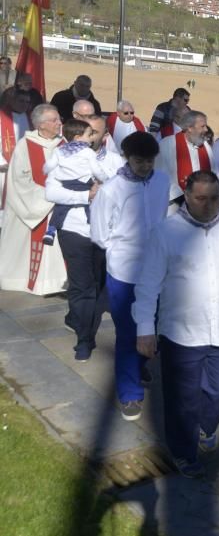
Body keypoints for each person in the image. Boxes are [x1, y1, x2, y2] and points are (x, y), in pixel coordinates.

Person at [133, 170, 219, 478]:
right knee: (182, 400)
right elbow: (148, 284)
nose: (207, 205)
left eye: (214, 198)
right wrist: (144, 329)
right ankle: (183, 452)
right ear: (187, 196)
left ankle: (206, 425)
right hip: (180, 333)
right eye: (200, 198)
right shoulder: (166, 232)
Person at [91, 132, 170, 420]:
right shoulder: (112, 189)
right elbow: (100, 235)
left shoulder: (162, 181)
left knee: (151, 326)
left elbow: (163, 216)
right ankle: (129, 393)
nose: (145, 166)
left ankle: (137, 366)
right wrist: (124, 250)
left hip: (156, 270)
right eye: (139, 161)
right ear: (127, 157)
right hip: (124, 271)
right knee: (127, 333)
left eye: (149, 160)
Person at [45, 119, 107, 361]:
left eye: (94, 132)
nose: (91, 137)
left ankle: (80, 320)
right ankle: (84, 338)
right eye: (88, 132)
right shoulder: (62, 157)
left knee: (98, 283)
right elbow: (51, 191)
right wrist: (86, 194)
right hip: (73, 228)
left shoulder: (110, 161)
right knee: (82, 286)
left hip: (102, 230)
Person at [0, 104, 68, 295]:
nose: (59, 123)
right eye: (54, 120)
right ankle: (34, 282)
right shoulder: (25, 145)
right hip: (34, 207)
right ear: (41, 124)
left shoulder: (63, 143)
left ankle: (58, 283)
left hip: (60, 207)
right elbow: (19, 182)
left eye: (58, 119)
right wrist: (49, 196)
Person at [42, 119, 102, 246]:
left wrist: (45, 170)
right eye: (89, 135)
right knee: (89, 207)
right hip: (84, 184)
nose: (91, 138)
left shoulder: (60, 150)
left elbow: (50, 165)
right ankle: (94, 227)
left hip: (66, 183)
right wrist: (105, 179)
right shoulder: (88, 152)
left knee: (60, 208)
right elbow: (97, 170)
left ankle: (51, 230)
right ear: (78, 137)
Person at [154, 110, 214, 208]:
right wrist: (182, 198)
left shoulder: (205, 146)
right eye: (202, 126)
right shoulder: (167, 144)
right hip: (175, 204)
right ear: (189, 128)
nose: (206, 129)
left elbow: (214, 172)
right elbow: (160, 174)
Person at [1, 89, 33, 228]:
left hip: (23, 171)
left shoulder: (30, 118)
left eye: (27, 102)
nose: (24, 105)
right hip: (3, 171)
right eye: (21, 101)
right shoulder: (2, 117)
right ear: (12, 100)